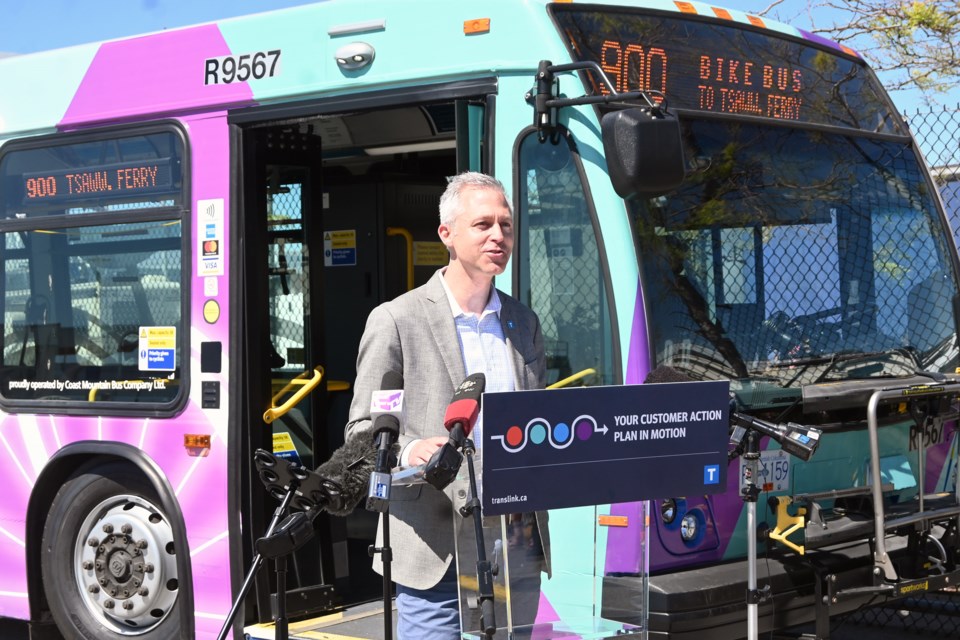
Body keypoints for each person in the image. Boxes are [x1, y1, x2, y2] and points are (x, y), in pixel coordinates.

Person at [344, 172, 549, 639]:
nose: (499, 235)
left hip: (514, 536)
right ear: (447, 235)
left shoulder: (523, 322)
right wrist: (411, 450)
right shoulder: (397, 321)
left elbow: (536, 420)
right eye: (483, 225)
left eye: (506, 225)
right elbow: (362, 432)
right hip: (431, 543)